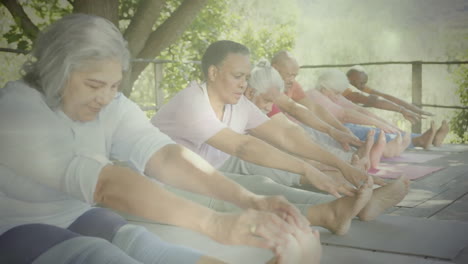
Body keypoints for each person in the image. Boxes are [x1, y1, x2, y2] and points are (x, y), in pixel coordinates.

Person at [0, 14, 318, 264]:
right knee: (96, 256)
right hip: (12, 227)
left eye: (114, 86)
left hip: (76, 213)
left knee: (142, 242)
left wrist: (249, 199)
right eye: (95, 84)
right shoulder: (18, 112)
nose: (106, 98)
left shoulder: (108, 102)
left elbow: (165, 155)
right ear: (56, 71)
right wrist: (215, 224)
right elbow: (105, 184)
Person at [152, 40, 410, 235]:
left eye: (246, 76)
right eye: (237, 76)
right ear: (212, 73)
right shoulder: (193, 102)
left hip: (206, 167)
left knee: (261, 181)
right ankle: (329, 213)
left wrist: (341, 165)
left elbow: (287, 134)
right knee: (247, 190)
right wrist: (307, 169)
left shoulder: (237, 104)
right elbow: (243, 146)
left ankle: (351, 206)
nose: (244, 84)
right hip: (163, 180)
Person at [315, 69, 450, 150]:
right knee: (367, 131)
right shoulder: (320, 95)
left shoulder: (334, 91)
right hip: (327, 132)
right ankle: (418, 141)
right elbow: (345, 114)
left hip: (339, 127)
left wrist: (387, 123)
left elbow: (362, 108)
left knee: (376, 130)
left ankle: (427, 139)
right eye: (336, 93)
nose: (361, 86)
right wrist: (380, 123)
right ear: (324, 88)